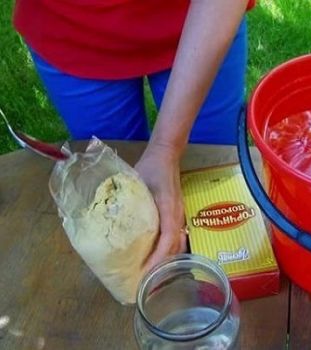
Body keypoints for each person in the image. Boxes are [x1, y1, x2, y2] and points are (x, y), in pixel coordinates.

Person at [13, 0, 254, 271]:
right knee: (119, 226)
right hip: (73, 29)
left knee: (216, 188)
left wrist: (166, 147)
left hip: (204, 19)